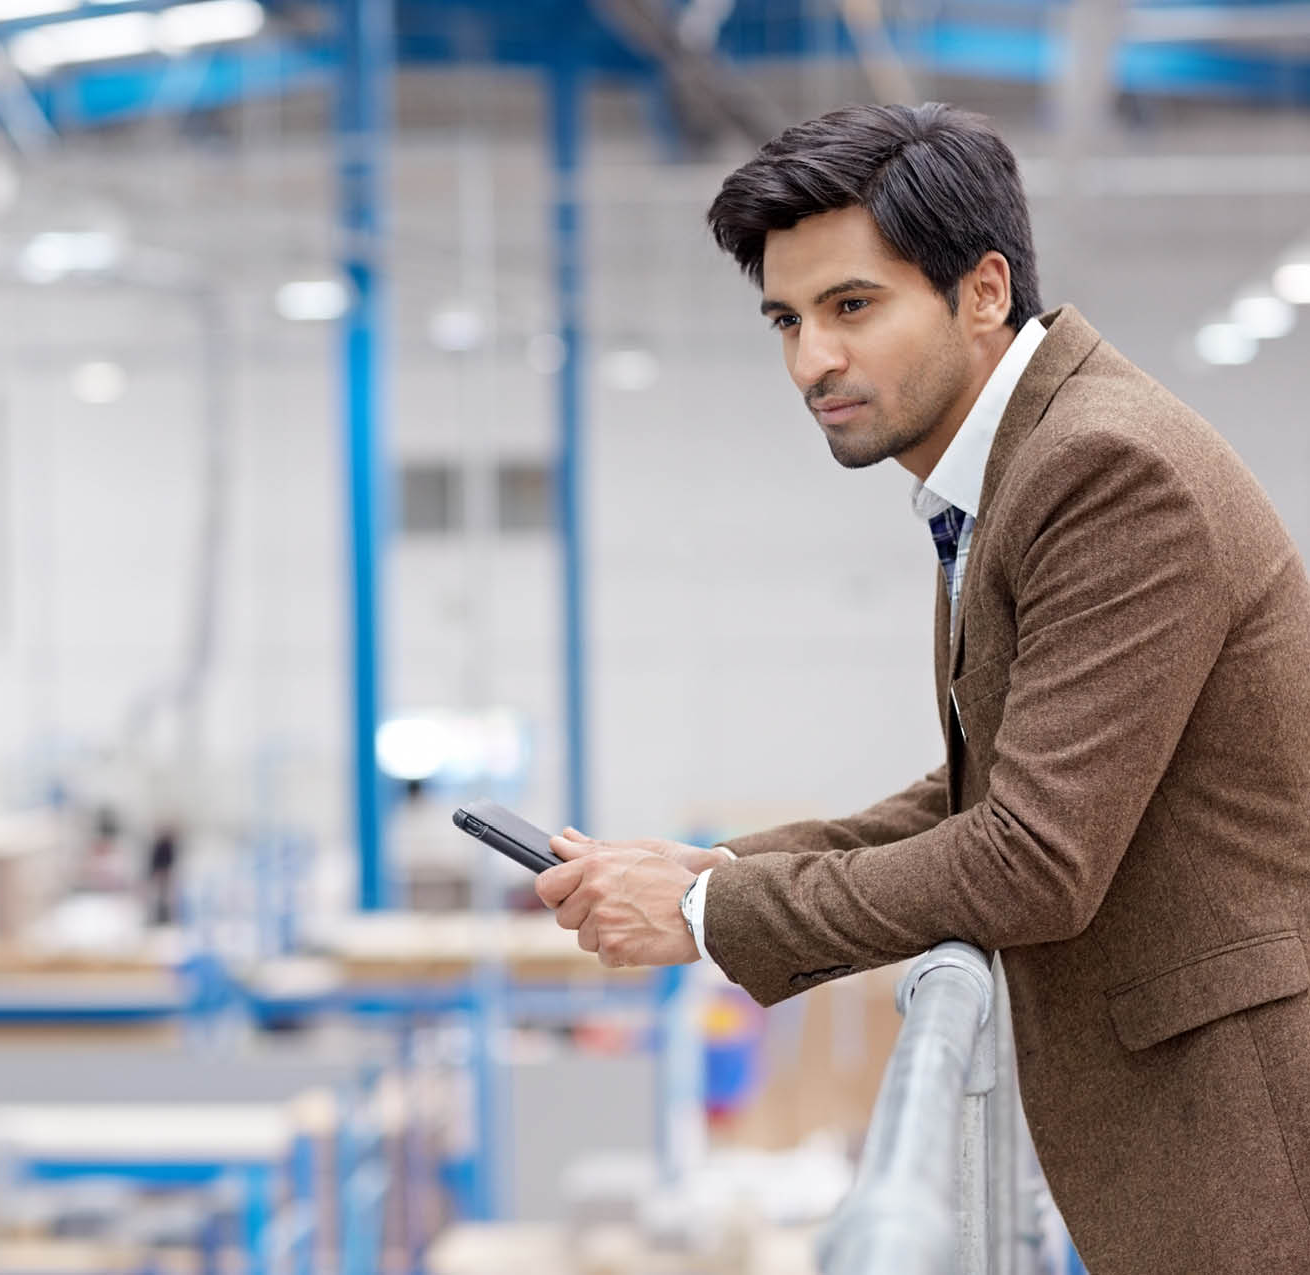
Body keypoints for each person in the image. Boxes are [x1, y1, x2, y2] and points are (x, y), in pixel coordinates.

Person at [535, 102, 1310, 1274]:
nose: (812, 361)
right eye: (786, 320)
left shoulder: (1104, 469)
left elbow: (1030, 858)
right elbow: (981, 788)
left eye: (853, 307)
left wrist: (704, 922)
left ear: (983, 289)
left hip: (1245, 1128)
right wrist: (729, 870)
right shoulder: (1016, 465)